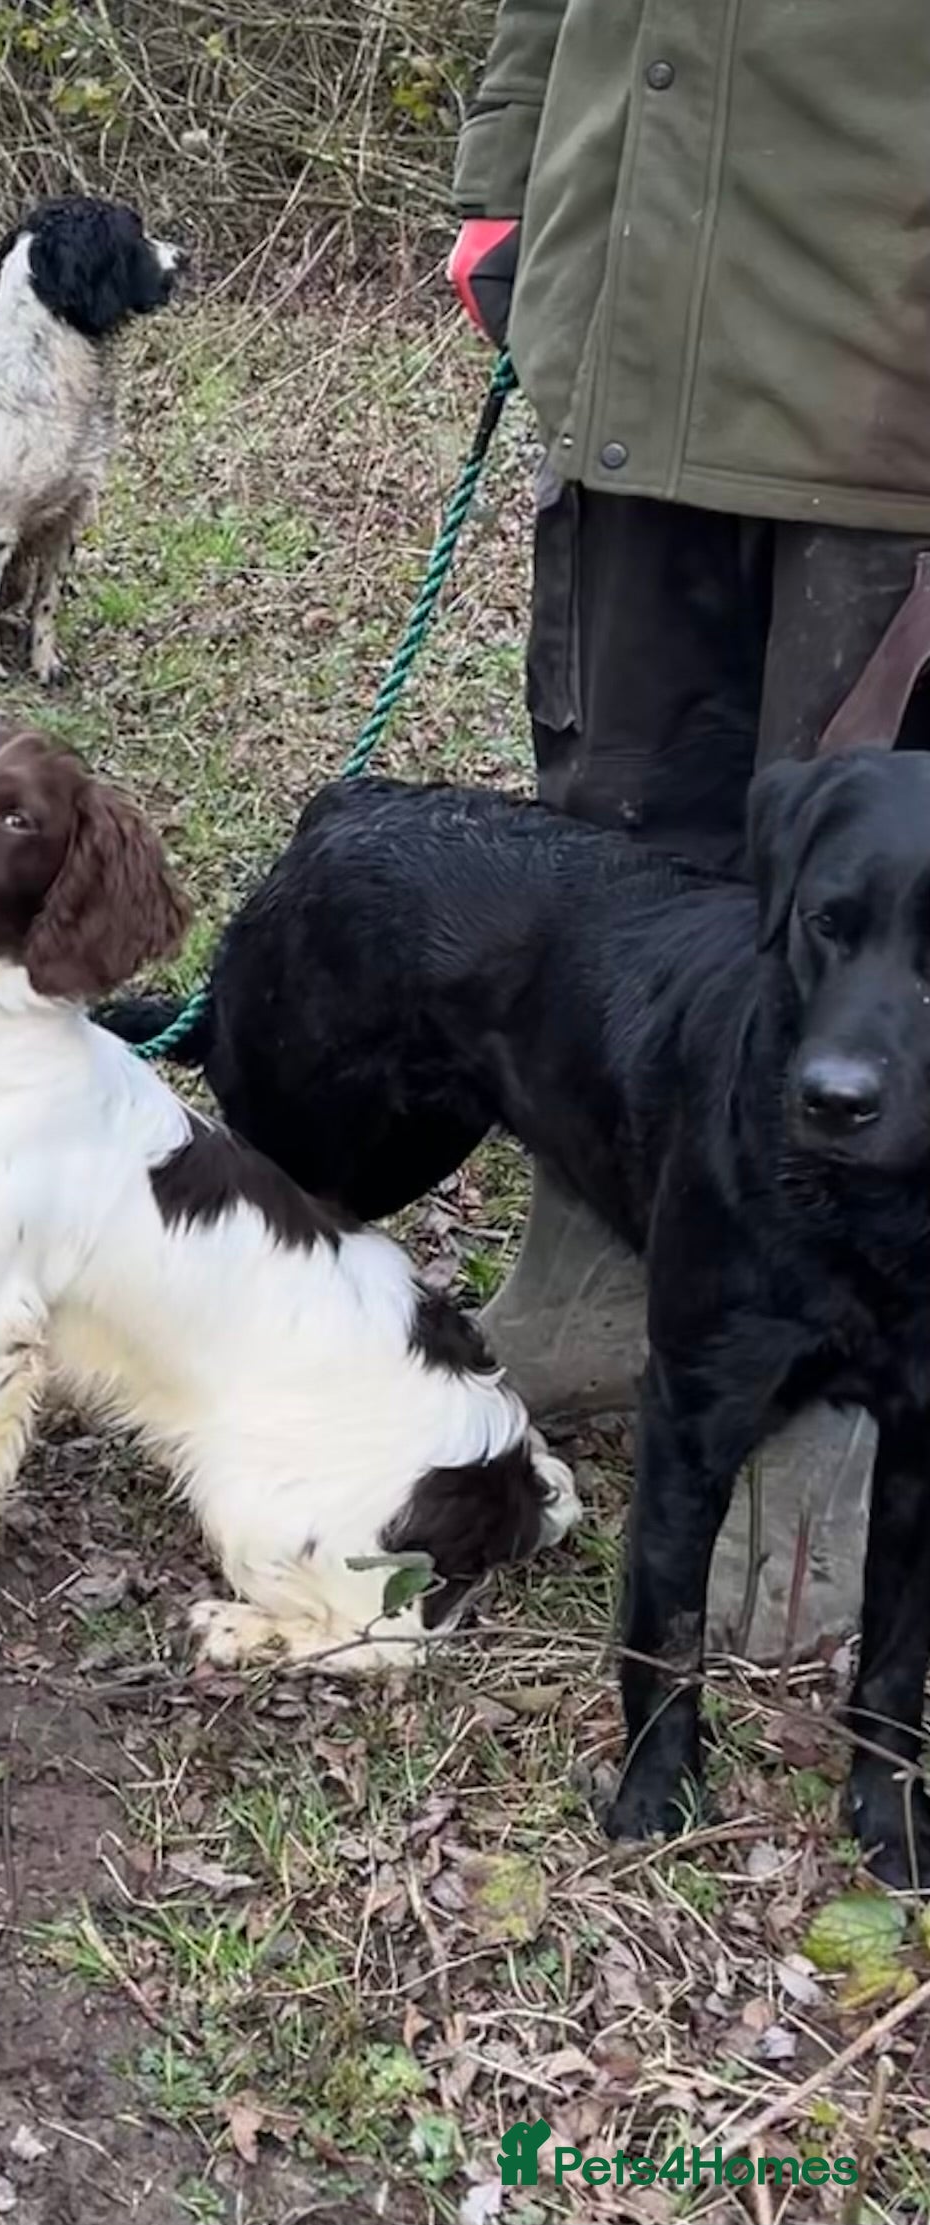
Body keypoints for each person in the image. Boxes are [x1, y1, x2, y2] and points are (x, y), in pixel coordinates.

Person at [448, 2, 930, 1658]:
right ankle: (595, 1270)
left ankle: (827, 1412)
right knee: (616, 824)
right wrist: (506, 183)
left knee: (856, 882)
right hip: (626, 309)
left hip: (884, 363)